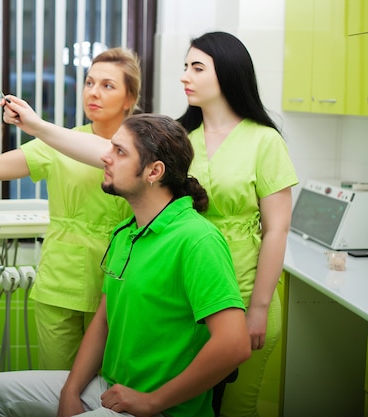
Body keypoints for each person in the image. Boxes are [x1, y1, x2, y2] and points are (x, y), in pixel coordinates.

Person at [0, 113, 251, 417]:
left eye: (119, 151)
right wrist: (71, 390)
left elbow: (235, 344)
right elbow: (104, 321)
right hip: (111, 388)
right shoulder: (126, 233)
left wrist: (153, 401)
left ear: (154, 171)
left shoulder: (196, 240)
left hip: (161, 407)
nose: (105, 158)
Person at [0, 47, 140, 370]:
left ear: (130, 98)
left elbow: (113, 154)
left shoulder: (142, 148)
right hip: (59, 285)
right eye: (89, 82)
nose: (93, 92)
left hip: (119, 283)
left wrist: (38, 125)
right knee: (56, 389)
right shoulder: (58, 142)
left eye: (107, 85)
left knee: (109, 389)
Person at [177, 31, 298, 417]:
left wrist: (259, 309)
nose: (185, 76)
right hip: (192, 297)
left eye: (197, 68)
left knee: (237, 408)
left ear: (228, 73)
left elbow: (277, 229)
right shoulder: (182, 139)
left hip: (247, 295)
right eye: (185, 67)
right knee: (189, 406)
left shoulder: (264, 141)